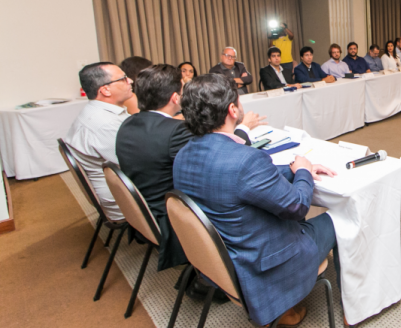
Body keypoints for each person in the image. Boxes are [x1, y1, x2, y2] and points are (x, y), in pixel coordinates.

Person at [172, 74, 339, 327]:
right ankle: (351, 303)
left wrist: (293, 169)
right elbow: (297, 206)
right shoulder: (245, 159)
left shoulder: (183, 155)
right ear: (232, 109)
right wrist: (304, 170)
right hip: (264, 262)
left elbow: (239, 183)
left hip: (223, 258)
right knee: (339, 218)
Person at [116, 65, 263, 271]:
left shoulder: (128, 123)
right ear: (176, 98)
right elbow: (222, 159)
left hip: (144, 211)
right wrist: (243, 128)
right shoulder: (175, 132)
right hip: (173, 218)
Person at [65, 62, 134, 221]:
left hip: (118, 189)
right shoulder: (105, 125)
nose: (130, 81)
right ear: (105, 89)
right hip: (125, 201)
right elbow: (141, 164)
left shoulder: (96, 113)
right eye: (123, 79)